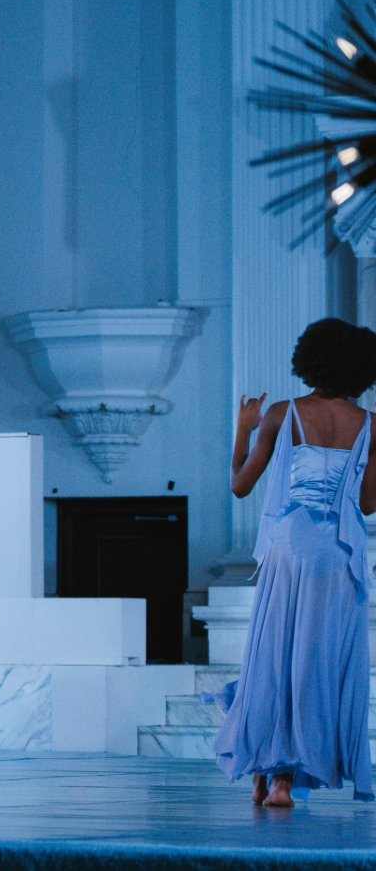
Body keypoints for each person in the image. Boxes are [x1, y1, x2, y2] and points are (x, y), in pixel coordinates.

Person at [211, 317, 376, 806]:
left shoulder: (283, 414)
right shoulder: (369, 423)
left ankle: (272, 772)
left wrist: (243, 431)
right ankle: (282, 778)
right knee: (317, 658)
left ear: (311, 359)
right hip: (339, 550)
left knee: (277, 653)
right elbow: (366, 504)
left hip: (290, 541)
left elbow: (240, 484)